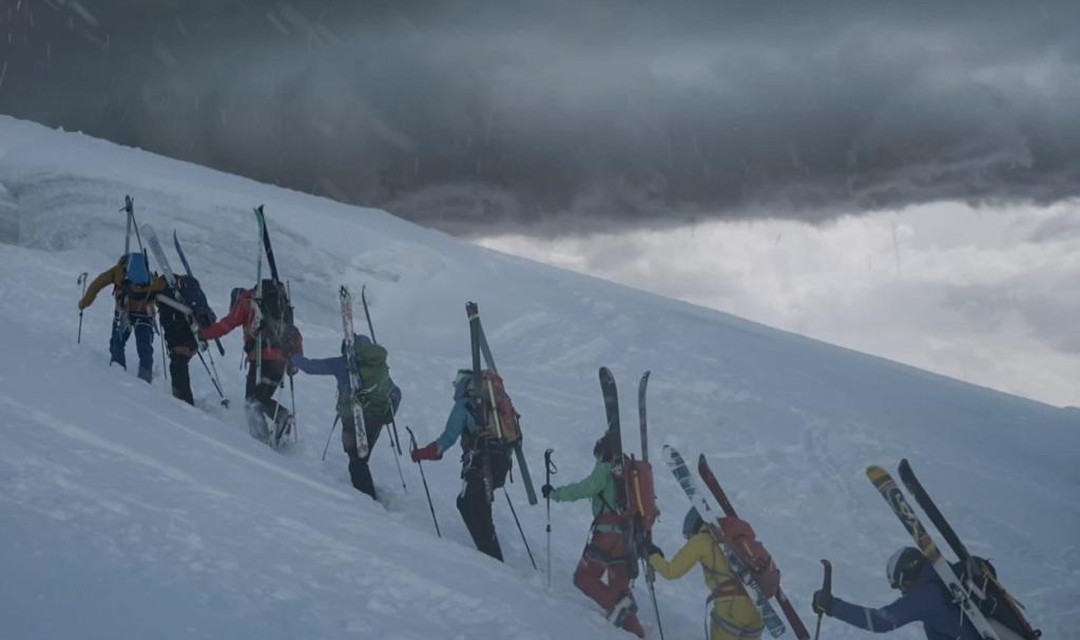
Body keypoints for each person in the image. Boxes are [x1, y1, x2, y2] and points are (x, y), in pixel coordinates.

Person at [540, 430, 645, 638]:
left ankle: (618, 607)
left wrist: (555, 494)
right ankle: (638, 634)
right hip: (628, 539)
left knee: (583, 577)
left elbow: (583, 489)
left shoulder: (605, 469)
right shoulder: (630, 471)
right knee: (619, 589)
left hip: (605, 538)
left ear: (602, 453)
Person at [410, 369, 511, 562]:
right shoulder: (490, 405)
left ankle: (495, 563)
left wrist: (422, 453)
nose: (455, 385)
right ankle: (488, 555)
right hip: (500, 460)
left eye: (457, 382)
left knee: (477, 510)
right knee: (467, 503)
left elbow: (447, 439)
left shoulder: (464, 406)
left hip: (481, 463)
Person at [290, 333, 402, 500]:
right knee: (361, 460)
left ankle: (367, 500)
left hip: (353, 419)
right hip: (376, 419)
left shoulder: (343, 364)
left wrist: (292, 357)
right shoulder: (378, 366)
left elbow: (311, 367)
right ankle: (367, 496)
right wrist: (387, 416)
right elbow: (396, 393)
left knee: (356, 462)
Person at [198, 281, 301, 445]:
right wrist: (295, 360)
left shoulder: (247, 302)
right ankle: (281, 415)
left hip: (262, 358)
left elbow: (226, 325)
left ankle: (260, 443)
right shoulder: (278, 307)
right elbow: (294, 333)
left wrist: (204, 334)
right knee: (261, 398)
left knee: (251, 402)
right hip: (280, 363)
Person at [812, 546, 981, 639]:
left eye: (901, 586)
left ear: (906, 576)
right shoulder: (945, 579)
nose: (903, 592)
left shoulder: (924, 595)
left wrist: (832, 606)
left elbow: (879, 622)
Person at [645, 509, 763, 640]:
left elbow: (671, 572)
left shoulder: (701, 540)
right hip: (757, 608)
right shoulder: (727, 535)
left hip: (731, 609)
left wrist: (652, 556)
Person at [78, 253, 167, 383]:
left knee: (117, 344)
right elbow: (160, 290)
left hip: (124, 314)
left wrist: (84, 303)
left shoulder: (118, 270)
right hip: (145, 316)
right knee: (144, 348)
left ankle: (118, 378)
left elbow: (97, 284)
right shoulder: (148, 275)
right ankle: (145, 381)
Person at [156, 274, 216, 405]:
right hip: (192, 337)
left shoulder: (166, 293)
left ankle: (184, 404)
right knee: (179, 367)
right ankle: (183, 402)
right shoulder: (182, 293)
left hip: (181, 339)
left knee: (177, 368)